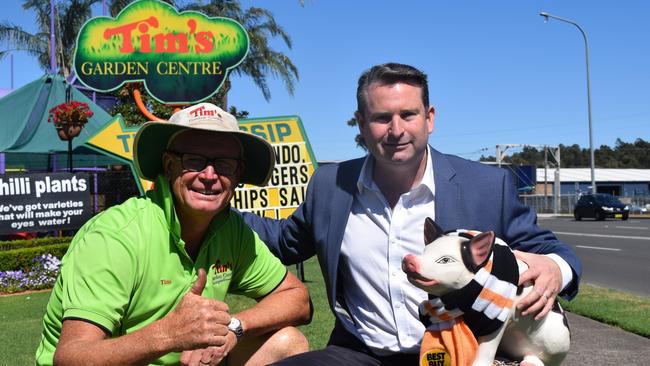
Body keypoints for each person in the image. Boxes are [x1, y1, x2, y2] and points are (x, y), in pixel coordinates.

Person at [240, 63, 581, 365]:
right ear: (360, 123)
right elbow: (283, 242)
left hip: (459, 352)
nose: (396, 129)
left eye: (408, 114)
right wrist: (208, 205)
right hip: (359, 353)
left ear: (429, 118)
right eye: (381, 117)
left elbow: (553, 253)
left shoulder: (487, 186)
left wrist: (555, 267)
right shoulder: (331, 185)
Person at [35, 103, 312, 366]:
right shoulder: (116, 236)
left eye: (224, 164)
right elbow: (71, 358)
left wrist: (233, 328)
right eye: (194, 161)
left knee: (287, 341)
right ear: (169, 166)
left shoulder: (232, 230)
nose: (209, 175)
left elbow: (298, 299)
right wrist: (169, 334)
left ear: (238, 175)